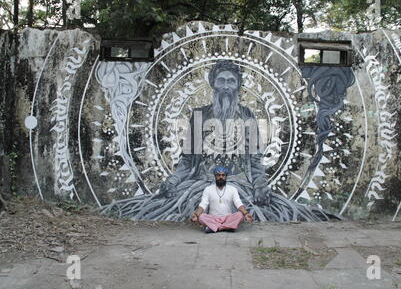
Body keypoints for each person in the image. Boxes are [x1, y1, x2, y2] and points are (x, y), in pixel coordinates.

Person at [102, 60, 341, 222]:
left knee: (267, 211)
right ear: (213, 84)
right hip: (200, 182)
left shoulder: (247, 117)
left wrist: (260, 185)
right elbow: (186, 161)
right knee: (174, 208)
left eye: (231, 81)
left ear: (238, 86)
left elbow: (256, 161)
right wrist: (173, 181)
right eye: (222, 80)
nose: (226, 86)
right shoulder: (199, 115)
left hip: (240, 183)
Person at [190, 166, 253, 233]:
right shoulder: (208, 189)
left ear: (226, 177)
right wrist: (196, 215)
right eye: (218, 175)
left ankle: (214, 227)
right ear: (215, 176)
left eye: (223, 175)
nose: (221, 177)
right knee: (201, 217)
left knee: (240, 215)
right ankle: (227, 227)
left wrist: (246, 214)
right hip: (213, 218)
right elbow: (203, 204)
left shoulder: (232, 189)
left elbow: (238, 203)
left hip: (228, 218)